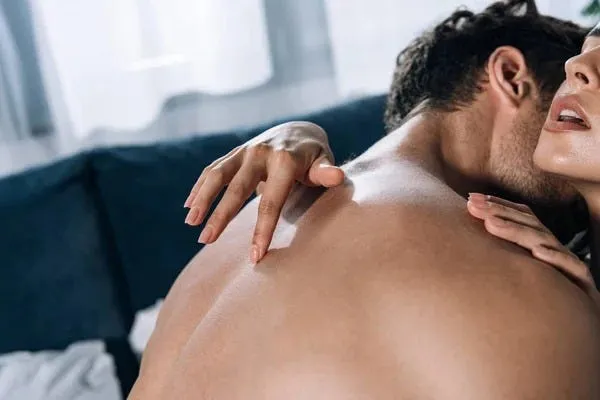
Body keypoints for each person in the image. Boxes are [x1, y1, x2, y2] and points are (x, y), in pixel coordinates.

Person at [129, 1, 600, 399]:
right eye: (569, 74)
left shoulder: (239, 234)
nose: (577, 76)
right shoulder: (518, 291)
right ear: (511, 76)